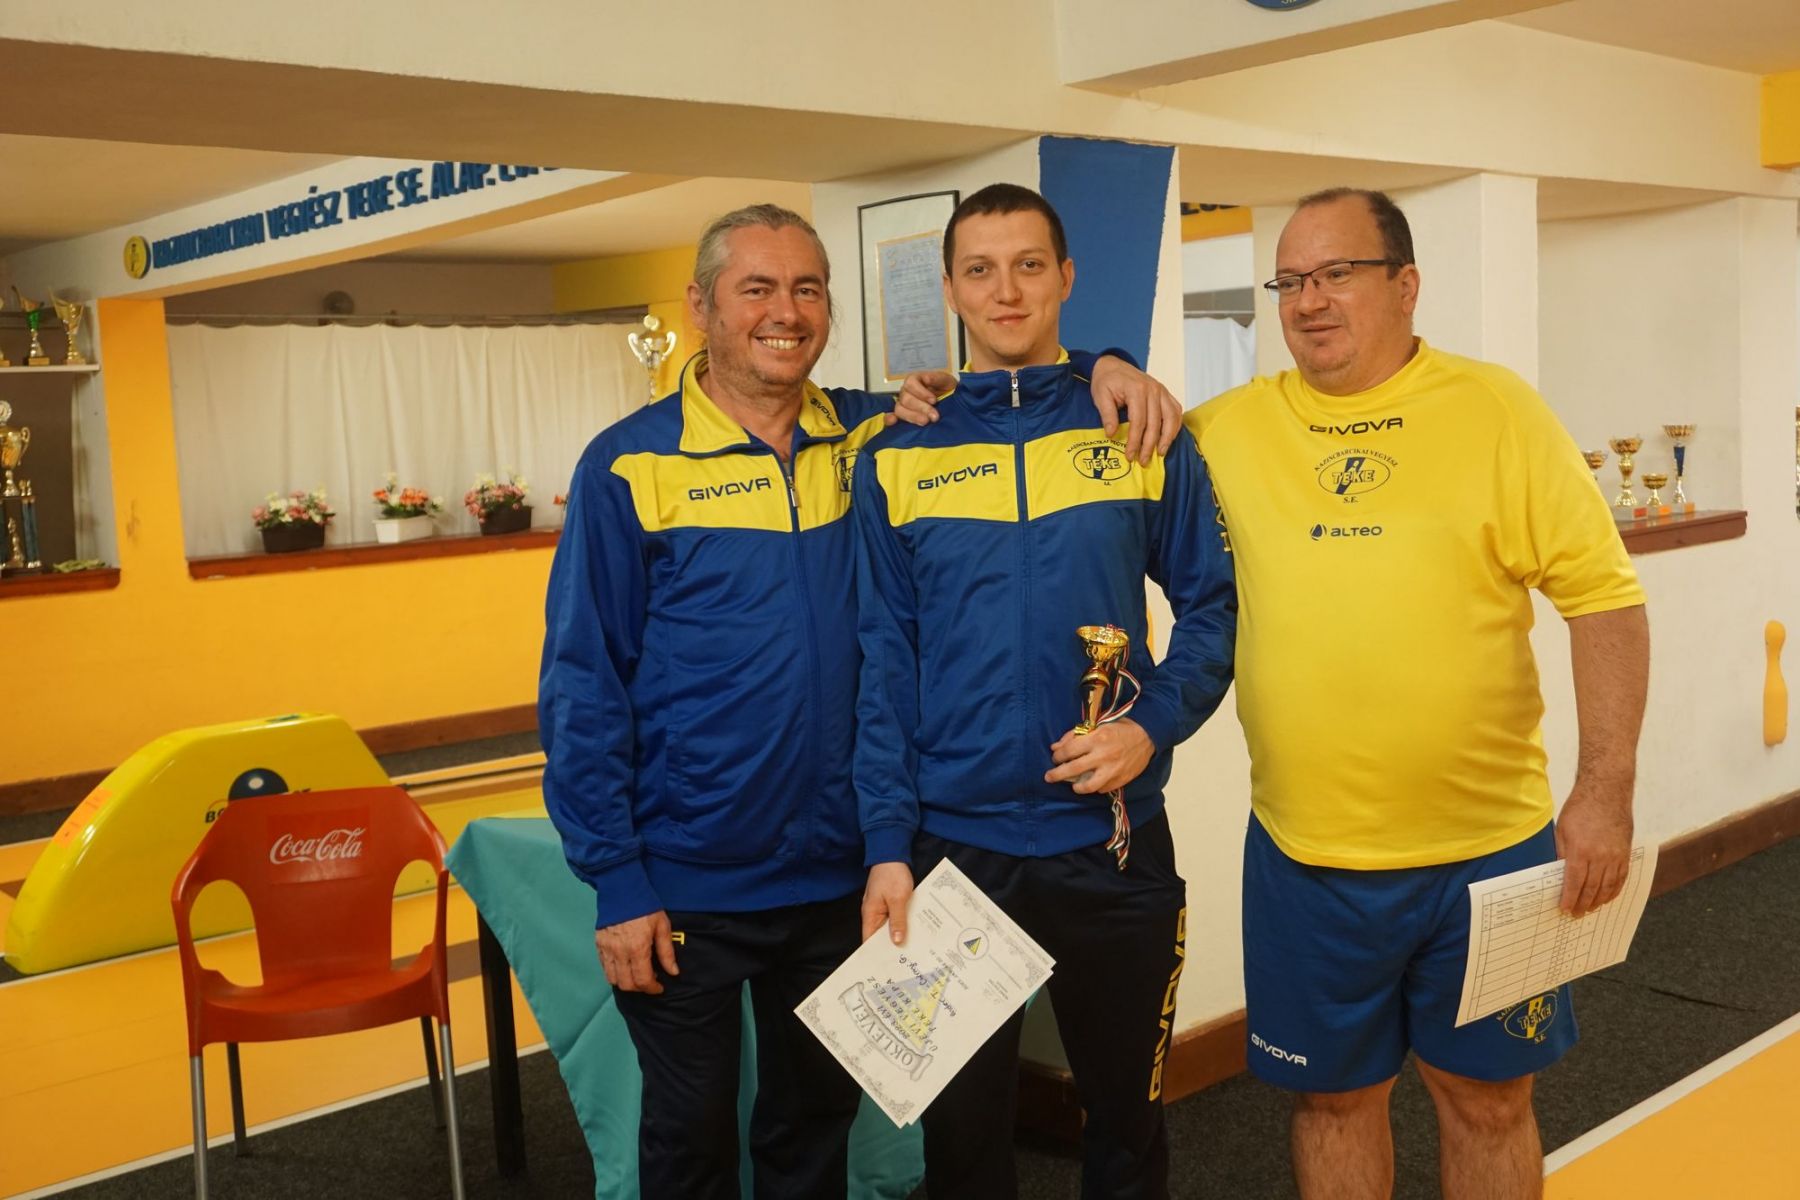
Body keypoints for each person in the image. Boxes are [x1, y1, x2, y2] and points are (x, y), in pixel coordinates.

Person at [539, 201, 1184, 1199]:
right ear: (701, 304)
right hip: (691, 876)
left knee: (811, 1138)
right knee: (688, 1144)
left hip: (842, 876)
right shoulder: (629, 463)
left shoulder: (879, 434)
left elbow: (1009, 377)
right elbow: (583, 682)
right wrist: (616, 876)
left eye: (808, 288)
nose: (785, 311)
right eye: (757, 288)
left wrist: (1108, 364)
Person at [1185, 188, 1649, 1200]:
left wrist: (1605, 789)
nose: (1309, 300)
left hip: (1490, 854)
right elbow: (1107, 451)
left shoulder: (1496, 412)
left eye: (1336, 274)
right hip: (1308, 858)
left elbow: (1605, 600)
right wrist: (1103, 372)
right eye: (1290, 280)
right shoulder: (1225, 430)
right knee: (1332, 1104)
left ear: (1405, 285)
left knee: (1488, 1102)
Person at [855, 183, 1238, 1200]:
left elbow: (1213, 607)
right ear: (949, 290)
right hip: (954, 851)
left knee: (1126, 1131)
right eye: (980, 270)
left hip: (1110, 840)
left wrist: (1150, 727)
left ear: (1066, 276)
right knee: (962, 1151)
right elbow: (882, 666)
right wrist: (887, 845)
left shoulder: (1137, 430)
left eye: (1029, 265)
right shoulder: (897, 454)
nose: (1007, 291)